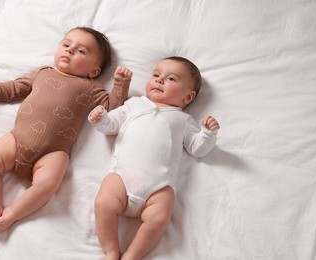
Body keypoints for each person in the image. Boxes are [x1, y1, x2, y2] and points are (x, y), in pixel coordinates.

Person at [0, 26, 133, 233]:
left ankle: (14, 213)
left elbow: (112, 108)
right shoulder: (42, 73)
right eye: (66, 45)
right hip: (17, 139)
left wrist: (121, 84)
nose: (69, 50)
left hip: (53, 152)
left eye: (81, 51)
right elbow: (15, 88)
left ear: (94, 71)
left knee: (47, 185)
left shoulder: (91, 88)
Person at [88, 56, 220, 260]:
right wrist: (102, 119)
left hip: (158, 187)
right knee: (103, 203)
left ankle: (133, 255)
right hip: (121, 179)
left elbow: (197, 148)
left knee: (159, 219)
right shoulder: (134, 105)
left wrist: (207, 135)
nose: (159, 80)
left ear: (188, 97)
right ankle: (111, 250)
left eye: (171, 79)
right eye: (156, 75)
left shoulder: (183, 120)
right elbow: (112, 125)